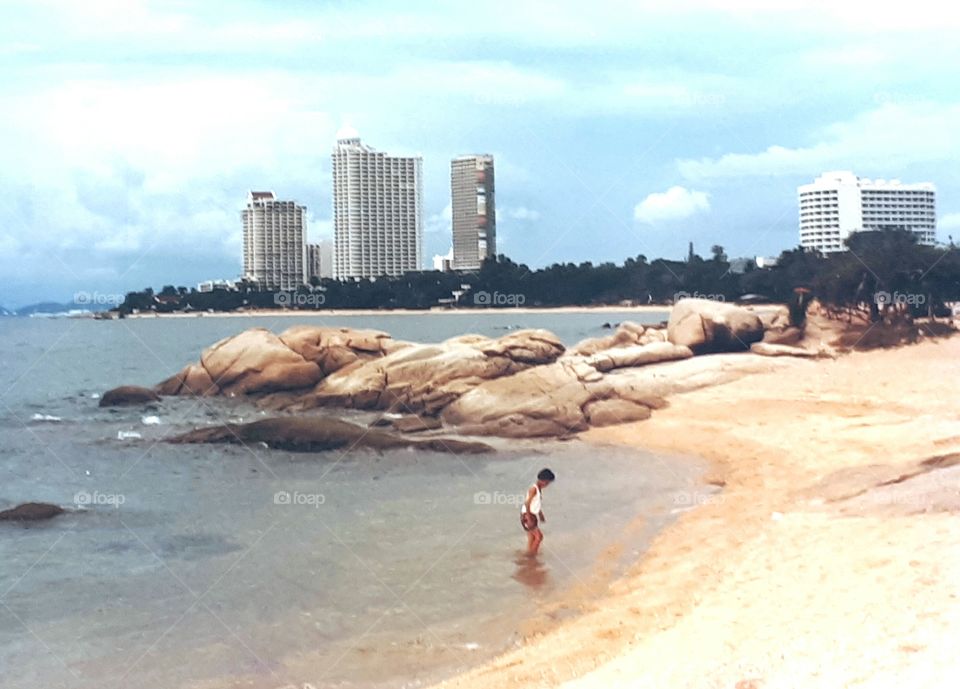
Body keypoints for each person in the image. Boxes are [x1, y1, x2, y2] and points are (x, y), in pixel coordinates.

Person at [520, 468, 555, 555]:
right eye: (547, 483)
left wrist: (540, 514)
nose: (547, 485)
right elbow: (527, 503)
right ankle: (531, 555)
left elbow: (535, 504)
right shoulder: (534, 489)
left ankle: (529, 553)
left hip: (531, 514)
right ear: (543, 481)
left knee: (532, 537)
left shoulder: (538, 489)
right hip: (528, 515)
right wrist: (528, 517)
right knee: (539, 537)